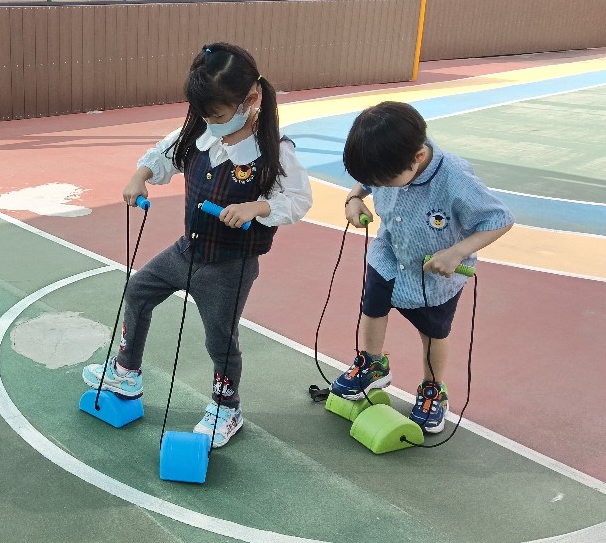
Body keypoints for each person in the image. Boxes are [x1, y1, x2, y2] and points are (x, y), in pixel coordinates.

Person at [83, 43, 312, 448]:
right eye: (204, 114)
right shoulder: (199, 133)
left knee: (219, 339)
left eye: (218, 115)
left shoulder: (274, 152)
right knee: (138, 291)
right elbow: (162, 156)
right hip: (186, 252)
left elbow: (298, 200)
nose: (210, 122)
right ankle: (127, 373)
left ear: (251, 100)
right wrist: (140, 176)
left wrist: (257, 206)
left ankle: (227, 408)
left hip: (229, 266)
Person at [333, 100, 514, 433]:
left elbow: (500, 219)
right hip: (389, 255)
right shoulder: (388, 160)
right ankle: (372, 363)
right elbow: (368, 180)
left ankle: (433, 389)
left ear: (417, 157)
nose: (379, 185)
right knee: (372, 308)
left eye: (385, 180)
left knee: (433, 332)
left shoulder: (455, 178)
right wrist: (354, 197)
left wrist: (458, 252)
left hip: (434, 274)